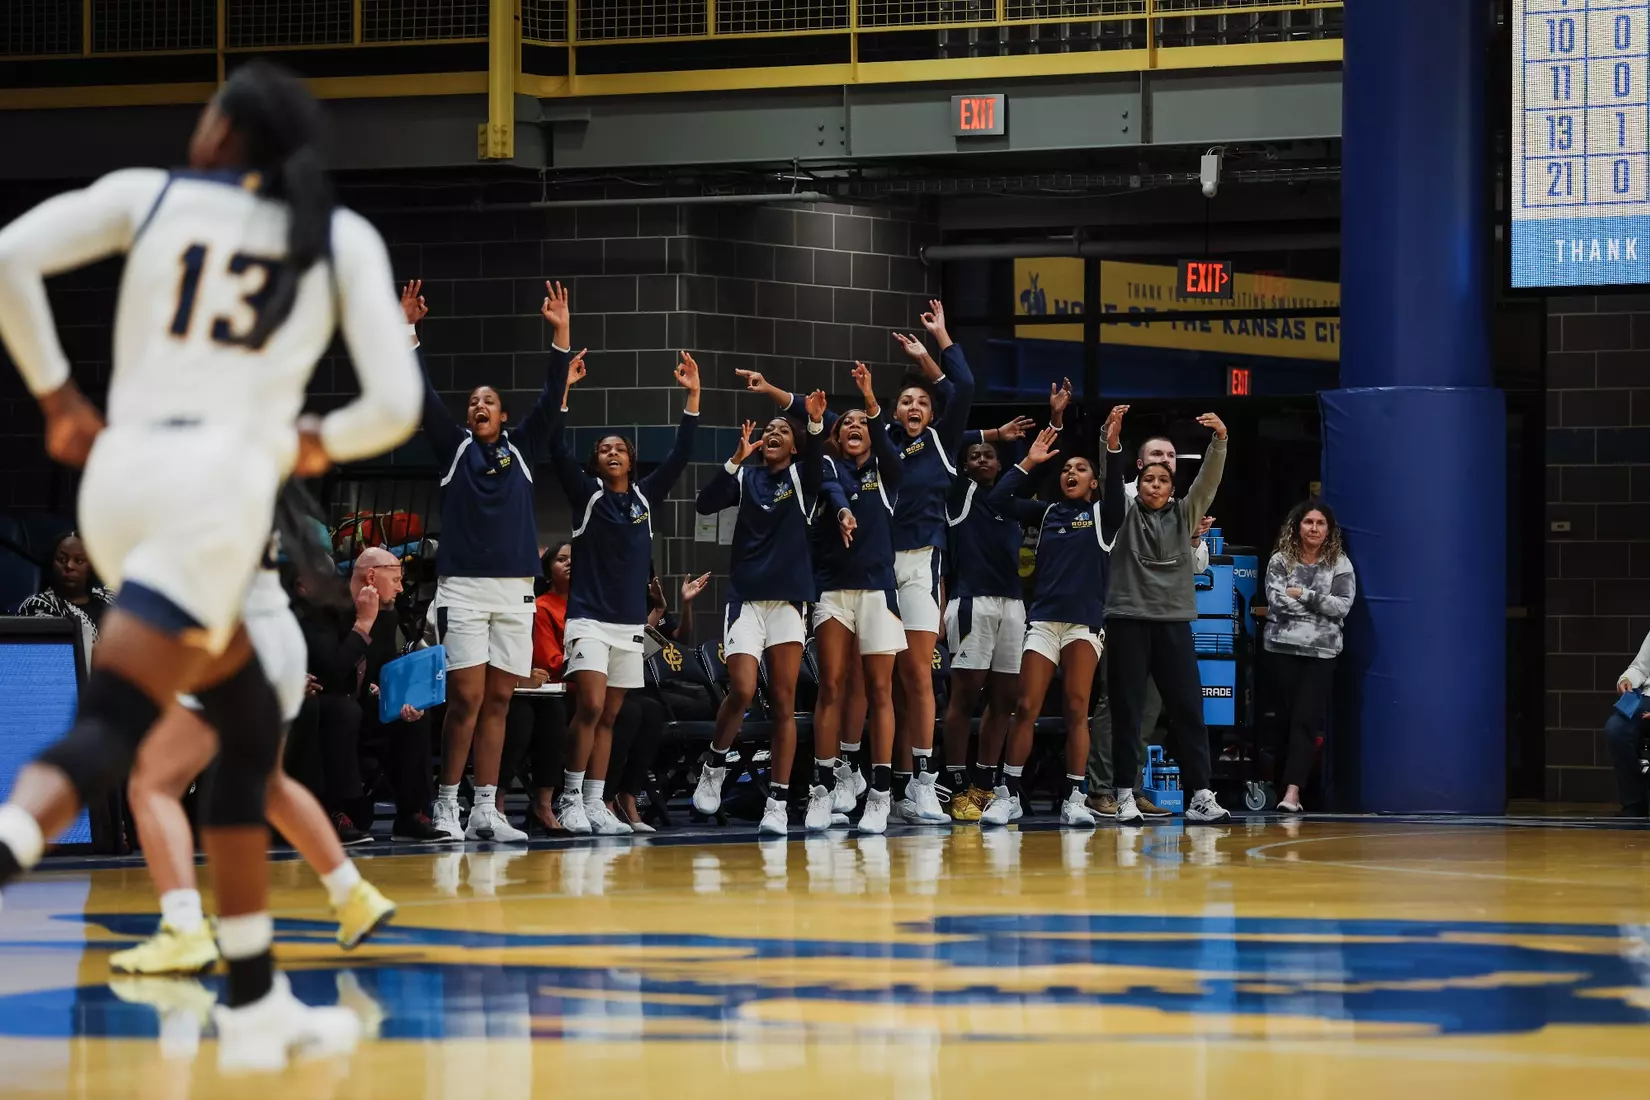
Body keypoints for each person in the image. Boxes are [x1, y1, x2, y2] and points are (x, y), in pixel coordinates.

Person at [0, 60, 421, 1070]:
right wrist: (308, 438)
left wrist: (58, 397)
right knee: (118, 727)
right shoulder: (337, 236)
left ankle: (254, 995)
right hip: (213, 488)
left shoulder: (147, 195)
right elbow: (394, 410)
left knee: (240, 734)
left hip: (117, 480)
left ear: (222, 132)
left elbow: (8, 254)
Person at [110, 528, 396, 976]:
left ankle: (183, 930)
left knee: (152, 784)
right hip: (275, 628)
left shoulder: (181, 471)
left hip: (231, 629)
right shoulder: (257, 465)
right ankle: (353, 895)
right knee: (270, 783)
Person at [414, 280, 575, 845]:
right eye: (472, 402)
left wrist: (560, 332)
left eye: (488, 402)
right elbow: (423, 395)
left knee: (502, 698)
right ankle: (446, 805)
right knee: (466, 698)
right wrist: (408, 330)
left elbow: (552, 396)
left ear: (504, 416)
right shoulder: (453, 446)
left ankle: (487, 807)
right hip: (461, 589)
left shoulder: (524, 449)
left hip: (514, 592)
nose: (478, 406)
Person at [546, 349, 700, 835]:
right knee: (590, 707)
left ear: (631, 459)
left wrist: (693, 397)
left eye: (621, 448)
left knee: (612, 714)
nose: (612, 453)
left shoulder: (644, 498)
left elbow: (680, 455)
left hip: (629, 623)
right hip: (589, 617)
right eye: (604, 449)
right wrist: (563, 391)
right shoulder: (587, 496)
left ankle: (597, 802)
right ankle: (570, 797)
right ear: (597, 461)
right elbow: (555, 446)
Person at [690, 393, 829, 836]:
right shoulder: (747, 478)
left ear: (794, 446)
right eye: (768, 430)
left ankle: (778, 799)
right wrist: (734, 461)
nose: (772, 433)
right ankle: (715, 762)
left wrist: (813, 422)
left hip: (788, 602)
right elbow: (704, 504)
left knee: (785, 703)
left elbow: (816, 452)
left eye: (782, 431)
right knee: (744, 689)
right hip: (747, 599)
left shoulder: (804, 478)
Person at [982, 408, 1128, 827]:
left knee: (1076, 708)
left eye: (1081, 469)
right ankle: (1007, 793)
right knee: (1025, 705)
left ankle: (1074, 798)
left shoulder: (1103, 517)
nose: (1071, 473)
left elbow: (1116, 490)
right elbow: (997, 500)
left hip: (1083, 624)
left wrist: (1112, 446)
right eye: (1066, 468)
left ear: (1093, 482)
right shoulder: (1045, 513)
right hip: (1044, 622)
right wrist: (1029, 460)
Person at [1107, 413, 1233, 825]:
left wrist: (1220, 439)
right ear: (1138, 483)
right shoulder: (1123, 515)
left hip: (1174, 623)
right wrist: (1111, 443)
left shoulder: (1184, 515)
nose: (1156, 486)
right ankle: (1124, 792)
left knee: (1189, 710)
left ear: (1172, 488)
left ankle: (1200, 794)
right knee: (1128, 710)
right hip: (1128, 620)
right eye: (1149, 479)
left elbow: (1208, 483)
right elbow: (1111, 486)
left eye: (1164, 480)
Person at [939, 388, 1055, 822]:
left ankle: (986, 784)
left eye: (990, 455)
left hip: (1013, 607)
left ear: (1001, 464)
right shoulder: (960, 492)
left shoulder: (1012, 504)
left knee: (1005, 698)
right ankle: (953, 781)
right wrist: (994, 433)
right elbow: (943, 439)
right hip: (971, 603)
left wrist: (1055, 422)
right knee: (964, 696)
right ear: (964, 465)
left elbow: (1053, 511)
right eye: (975, 456)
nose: (982, 460)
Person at [812, 363, 907, 834]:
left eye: (861, 424)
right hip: (833, 588)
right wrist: (845, 511)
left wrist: (871, 401)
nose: (853, 427)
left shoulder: (886, 470)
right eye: (844, 422)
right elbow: (828, 485)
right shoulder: (828, 465)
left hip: (878, 591)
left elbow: (892, 455)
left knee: (879, 690)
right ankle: (823, 787)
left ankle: (881, 794)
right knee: (831, 685)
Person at [1263, 499, 1356, 814]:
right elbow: (1276, 602)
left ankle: (1293, 792)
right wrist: (1321, 605)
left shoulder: (1339, 564)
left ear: (1329, 530)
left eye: (1320, 523)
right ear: (1297, 526)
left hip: (1322, 652)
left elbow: (1342, 606)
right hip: (1282, 648)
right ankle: (1279, 785)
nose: (1314, 528)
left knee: (1305, 721)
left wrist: (1303, 594)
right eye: (1308, 522)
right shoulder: (1280, 560)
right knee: (1284, 721)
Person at [348, 547, 447, 841]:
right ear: (371, 576)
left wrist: (405, 697)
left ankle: (410, 814)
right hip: (341, 700)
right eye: (396, 580)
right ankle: (337, 810)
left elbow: (386, 668)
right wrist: (366, 687)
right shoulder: (338, 610)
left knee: (418, 715)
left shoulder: (389, 616)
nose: (401, 588)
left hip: (377, 705)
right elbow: (333, 663)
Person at [18, 532, 116, 644]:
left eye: (79, 560)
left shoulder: (107, 597)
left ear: (90, 566)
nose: (69, 566)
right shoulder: (37, 605)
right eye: (62, 559)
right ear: (51, 564)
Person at [1608, 636, 1650, 818]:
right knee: (1616, 729)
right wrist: (1627, 679)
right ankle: (1635, 802)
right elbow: (1640, 668)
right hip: (1647, 699)